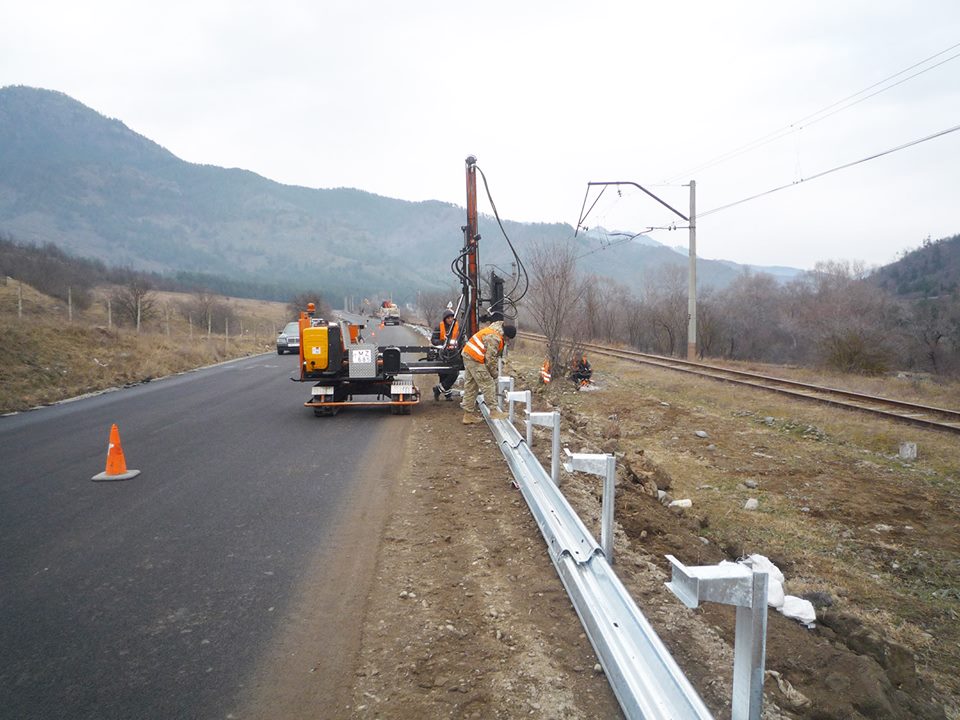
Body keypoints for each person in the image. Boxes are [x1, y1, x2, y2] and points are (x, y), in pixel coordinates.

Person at [460, 321, 517, 424]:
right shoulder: (494, 338)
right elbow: (490, 359)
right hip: (475, 358)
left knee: (471, 385)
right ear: (506, 335)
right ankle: (494, 411)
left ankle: (467, 415)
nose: (507, 341)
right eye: (508, 339)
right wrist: (494, 374)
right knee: (488, 384)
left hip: (468, 355)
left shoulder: (493, 331)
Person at [431, 310, 460, 401]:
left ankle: (438, 390)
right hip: (442, 354)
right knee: (443, 374)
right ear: (444, 319)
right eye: (448, 318)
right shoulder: (438, 328)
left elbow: (462, 338)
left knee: (454, 373)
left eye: (451, 317)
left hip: (454, 354)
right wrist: (441, 342)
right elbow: (433, 340)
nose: (450, 320)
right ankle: (447, 395)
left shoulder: (459, 327)